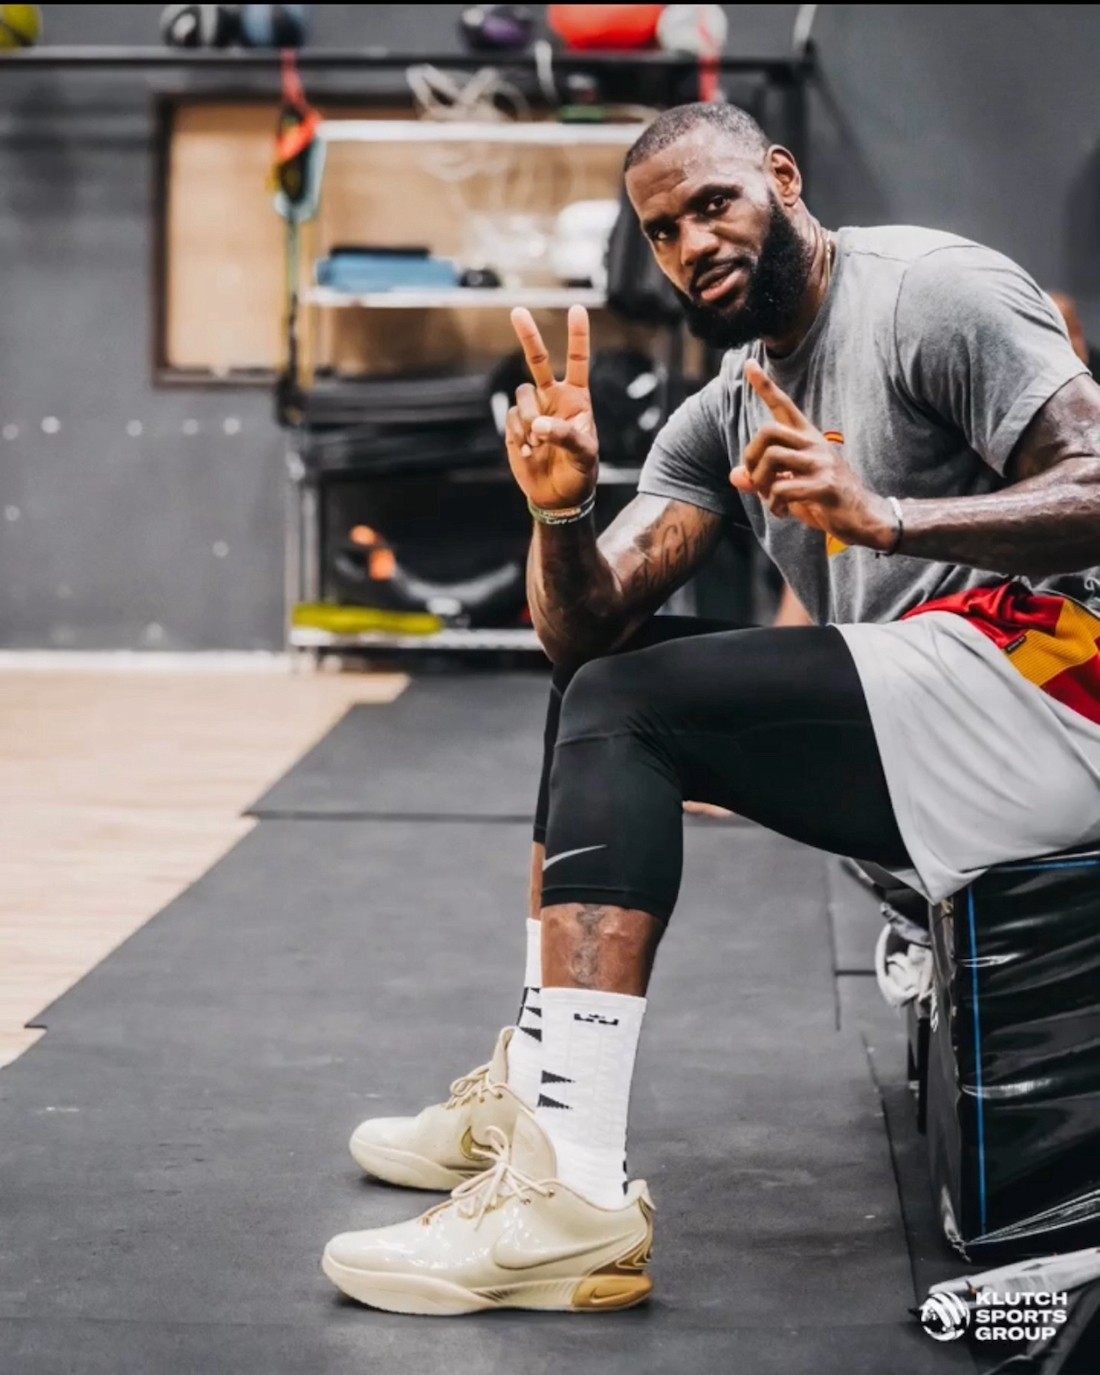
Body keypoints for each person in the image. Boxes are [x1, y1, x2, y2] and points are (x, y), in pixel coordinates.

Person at [322, 102, 1100, 1315]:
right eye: (663, 230)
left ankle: (573, 1195)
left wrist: (890, 518)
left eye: (712, 204)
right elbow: (582, 631)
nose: (692, 243)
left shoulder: (926, 293)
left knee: (631, 706)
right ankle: (537, 1095)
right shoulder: (728, 407)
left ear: (780, 178)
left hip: (1060, 692)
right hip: (939, 709)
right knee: (602, 681)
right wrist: (559, 510)